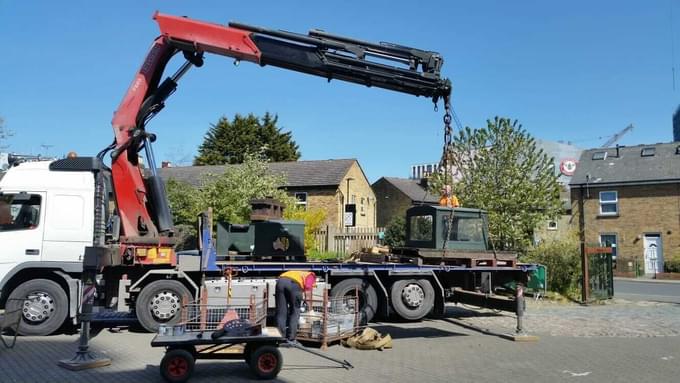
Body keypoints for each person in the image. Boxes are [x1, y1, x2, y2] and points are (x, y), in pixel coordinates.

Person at [275, 270, 315, 341]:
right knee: (294, 312)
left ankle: (280, 337)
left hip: (280, 282)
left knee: (281, 312)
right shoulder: (311, 276)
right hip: (293, 285)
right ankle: (291, 338)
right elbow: (308, 295)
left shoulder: (298, 273)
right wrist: (310, 309)